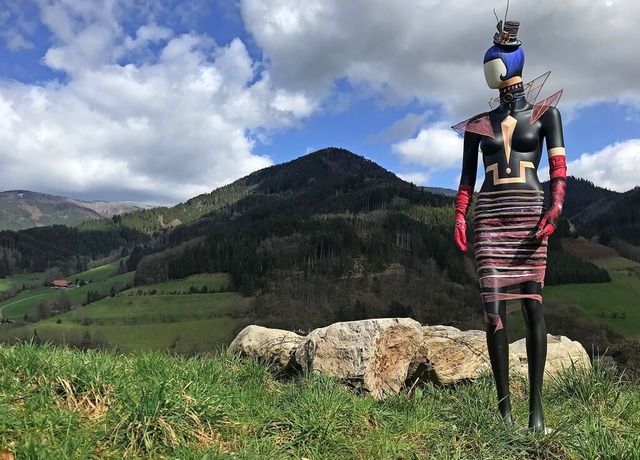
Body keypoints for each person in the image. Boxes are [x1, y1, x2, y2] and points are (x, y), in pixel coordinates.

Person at [452, 19, 567, 432]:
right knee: (493, 313)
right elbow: (467, 179)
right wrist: (461, 214)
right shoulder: (476, 127)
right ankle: (504, 414)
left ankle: (536, 412)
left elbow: (558, 170)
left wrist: (554, 209)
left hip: (530, 217)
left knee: (533, 306)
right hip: (491, 220)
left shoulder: (547, 114)